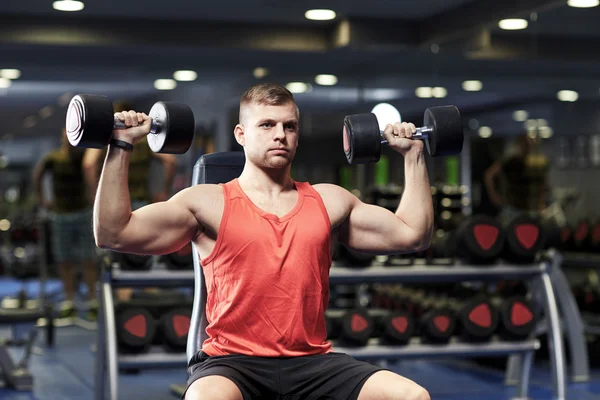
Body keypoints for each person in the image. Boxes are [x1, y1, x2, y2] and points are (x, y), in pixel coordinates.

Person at [92, 83, 433, 400]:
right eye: (267, 125)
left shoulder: (330, 202)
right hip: (233, 364)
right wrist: (121, 145)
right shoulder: (206, 202)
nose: (280, 135)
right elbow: (113, 233)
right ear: (241, 134)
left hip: (312, 363)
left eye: (289, 126)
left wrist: (413, 155)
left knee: (412, 396)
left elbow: (412, 234)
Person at [82, 100, 177, 301]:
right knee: (144, 256)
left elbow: (89, 164)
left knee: (120, 260)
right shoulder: (143, 138)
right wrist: (164, 190)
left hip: (116, 204)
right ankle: (149, 300)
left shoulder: (108, 134)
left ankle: (124, 306)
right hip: (143, 203)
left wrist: (94, 195)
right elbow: (170, 161)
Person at [32, 129, 98, 321]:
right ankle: (70, 301)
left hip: (83, 213)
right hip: (61, 215)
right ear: (62, 138)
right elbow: (38, 175)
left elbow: (93, 172)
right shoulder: (52, 158)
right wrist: (42, 199)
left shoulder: (85, 157)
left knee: (89, 259)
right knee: (64, 260)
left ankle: (92, 301)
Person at [484, 132, 550, 221]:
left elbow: (542, 185)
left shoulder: (537, 162)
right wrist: (495, 197)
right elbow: (489, 175)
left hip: (533, 210)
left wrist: (542, 203)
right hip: (513, 209)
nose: (526, 146)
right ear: (518, 144)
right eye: (524, 143)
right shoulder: (510, 161)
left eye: (528, 143)